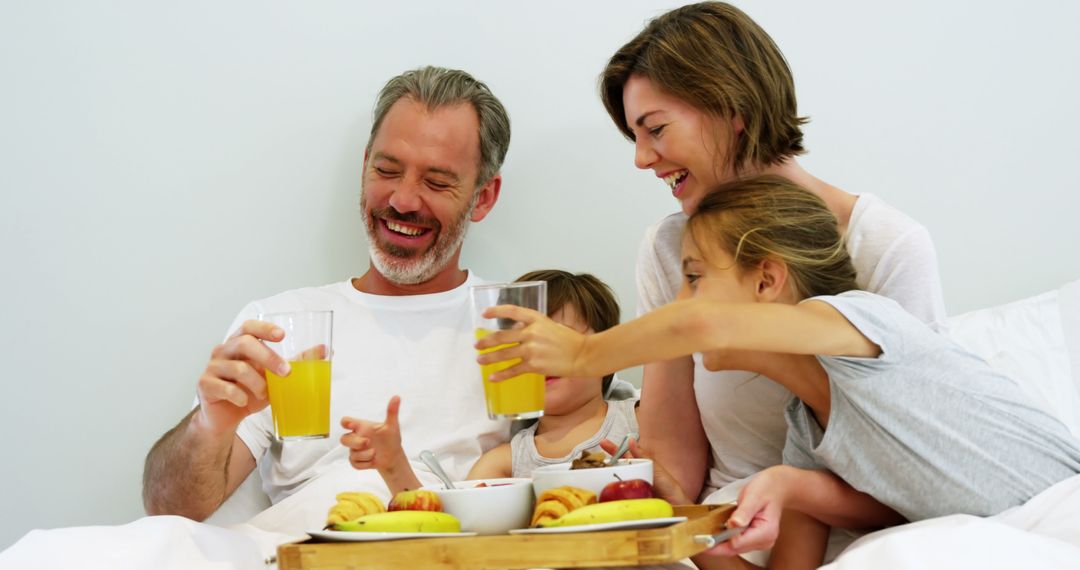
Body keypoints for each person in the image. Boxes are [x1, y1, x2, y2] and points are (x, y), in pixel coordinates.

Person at [476, 175, 1080, 570]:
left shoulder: (863, 323)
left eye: (694, 278)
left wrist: (584, 355)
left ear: (766, 281)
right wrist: (673, 509)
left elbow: (706, 326)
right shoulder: (806, 437)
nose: (681, 301)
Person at [598, 1, 948, 505]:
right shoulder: (669, 246)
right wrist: (657, 496)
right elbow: (675, 455)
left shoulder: (887, 245)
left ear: (731, 108)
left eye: (655, 129)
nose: (641, 157)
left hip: (857, 533)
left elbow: (919, 463)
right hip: (725, 527)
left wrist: (788, 494)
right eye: (634, 136)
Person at [141, 65, 513, 536]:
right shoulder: (281, 325)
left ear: (483, 197)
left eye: (436, 182)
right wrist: (210, 425)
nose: (402, 199)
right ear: (364, 166)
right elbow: (170, 509)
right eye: (386, 169)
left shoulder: (515, 329)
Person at [340, 269, 640, 493]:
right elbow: (453, 530)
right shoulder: (506, 460)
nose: (541, 356)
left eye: (560, 340)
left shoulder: (640, 419)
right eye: (523, 342)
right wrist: (394, 465)